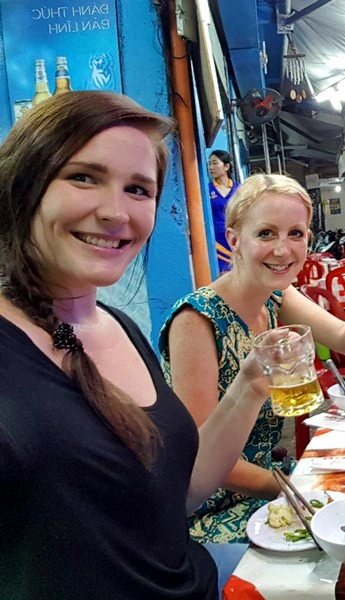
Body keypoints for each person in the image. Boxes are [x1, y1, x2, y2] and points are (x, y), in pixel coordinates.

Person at [0, 91, 278, 598]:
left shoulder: (116, 325)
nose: (116, 212)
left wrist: (250, 385)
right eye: (84, 177)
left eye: (137, 189)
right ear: (24, 184)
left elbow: (178, 494)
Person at [159, 173, 345, 544]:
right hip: (213, 507)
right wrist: (297, 486)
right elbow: (201, 460)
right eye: (266, 233)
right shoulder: (197, 320)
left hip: (270, 482)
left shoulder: (276, 297)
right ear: (234, 240)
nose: (283, 250)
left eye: (296, 233)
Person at [208, 149, 239, 272]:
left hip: (237, 238)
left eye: (215, 163)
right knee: (224, 274)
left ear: (226, 166)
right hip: (216, 240)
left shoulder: (239, 189)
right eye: (209, 164)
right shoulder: (206, 189)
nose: (211, 167)